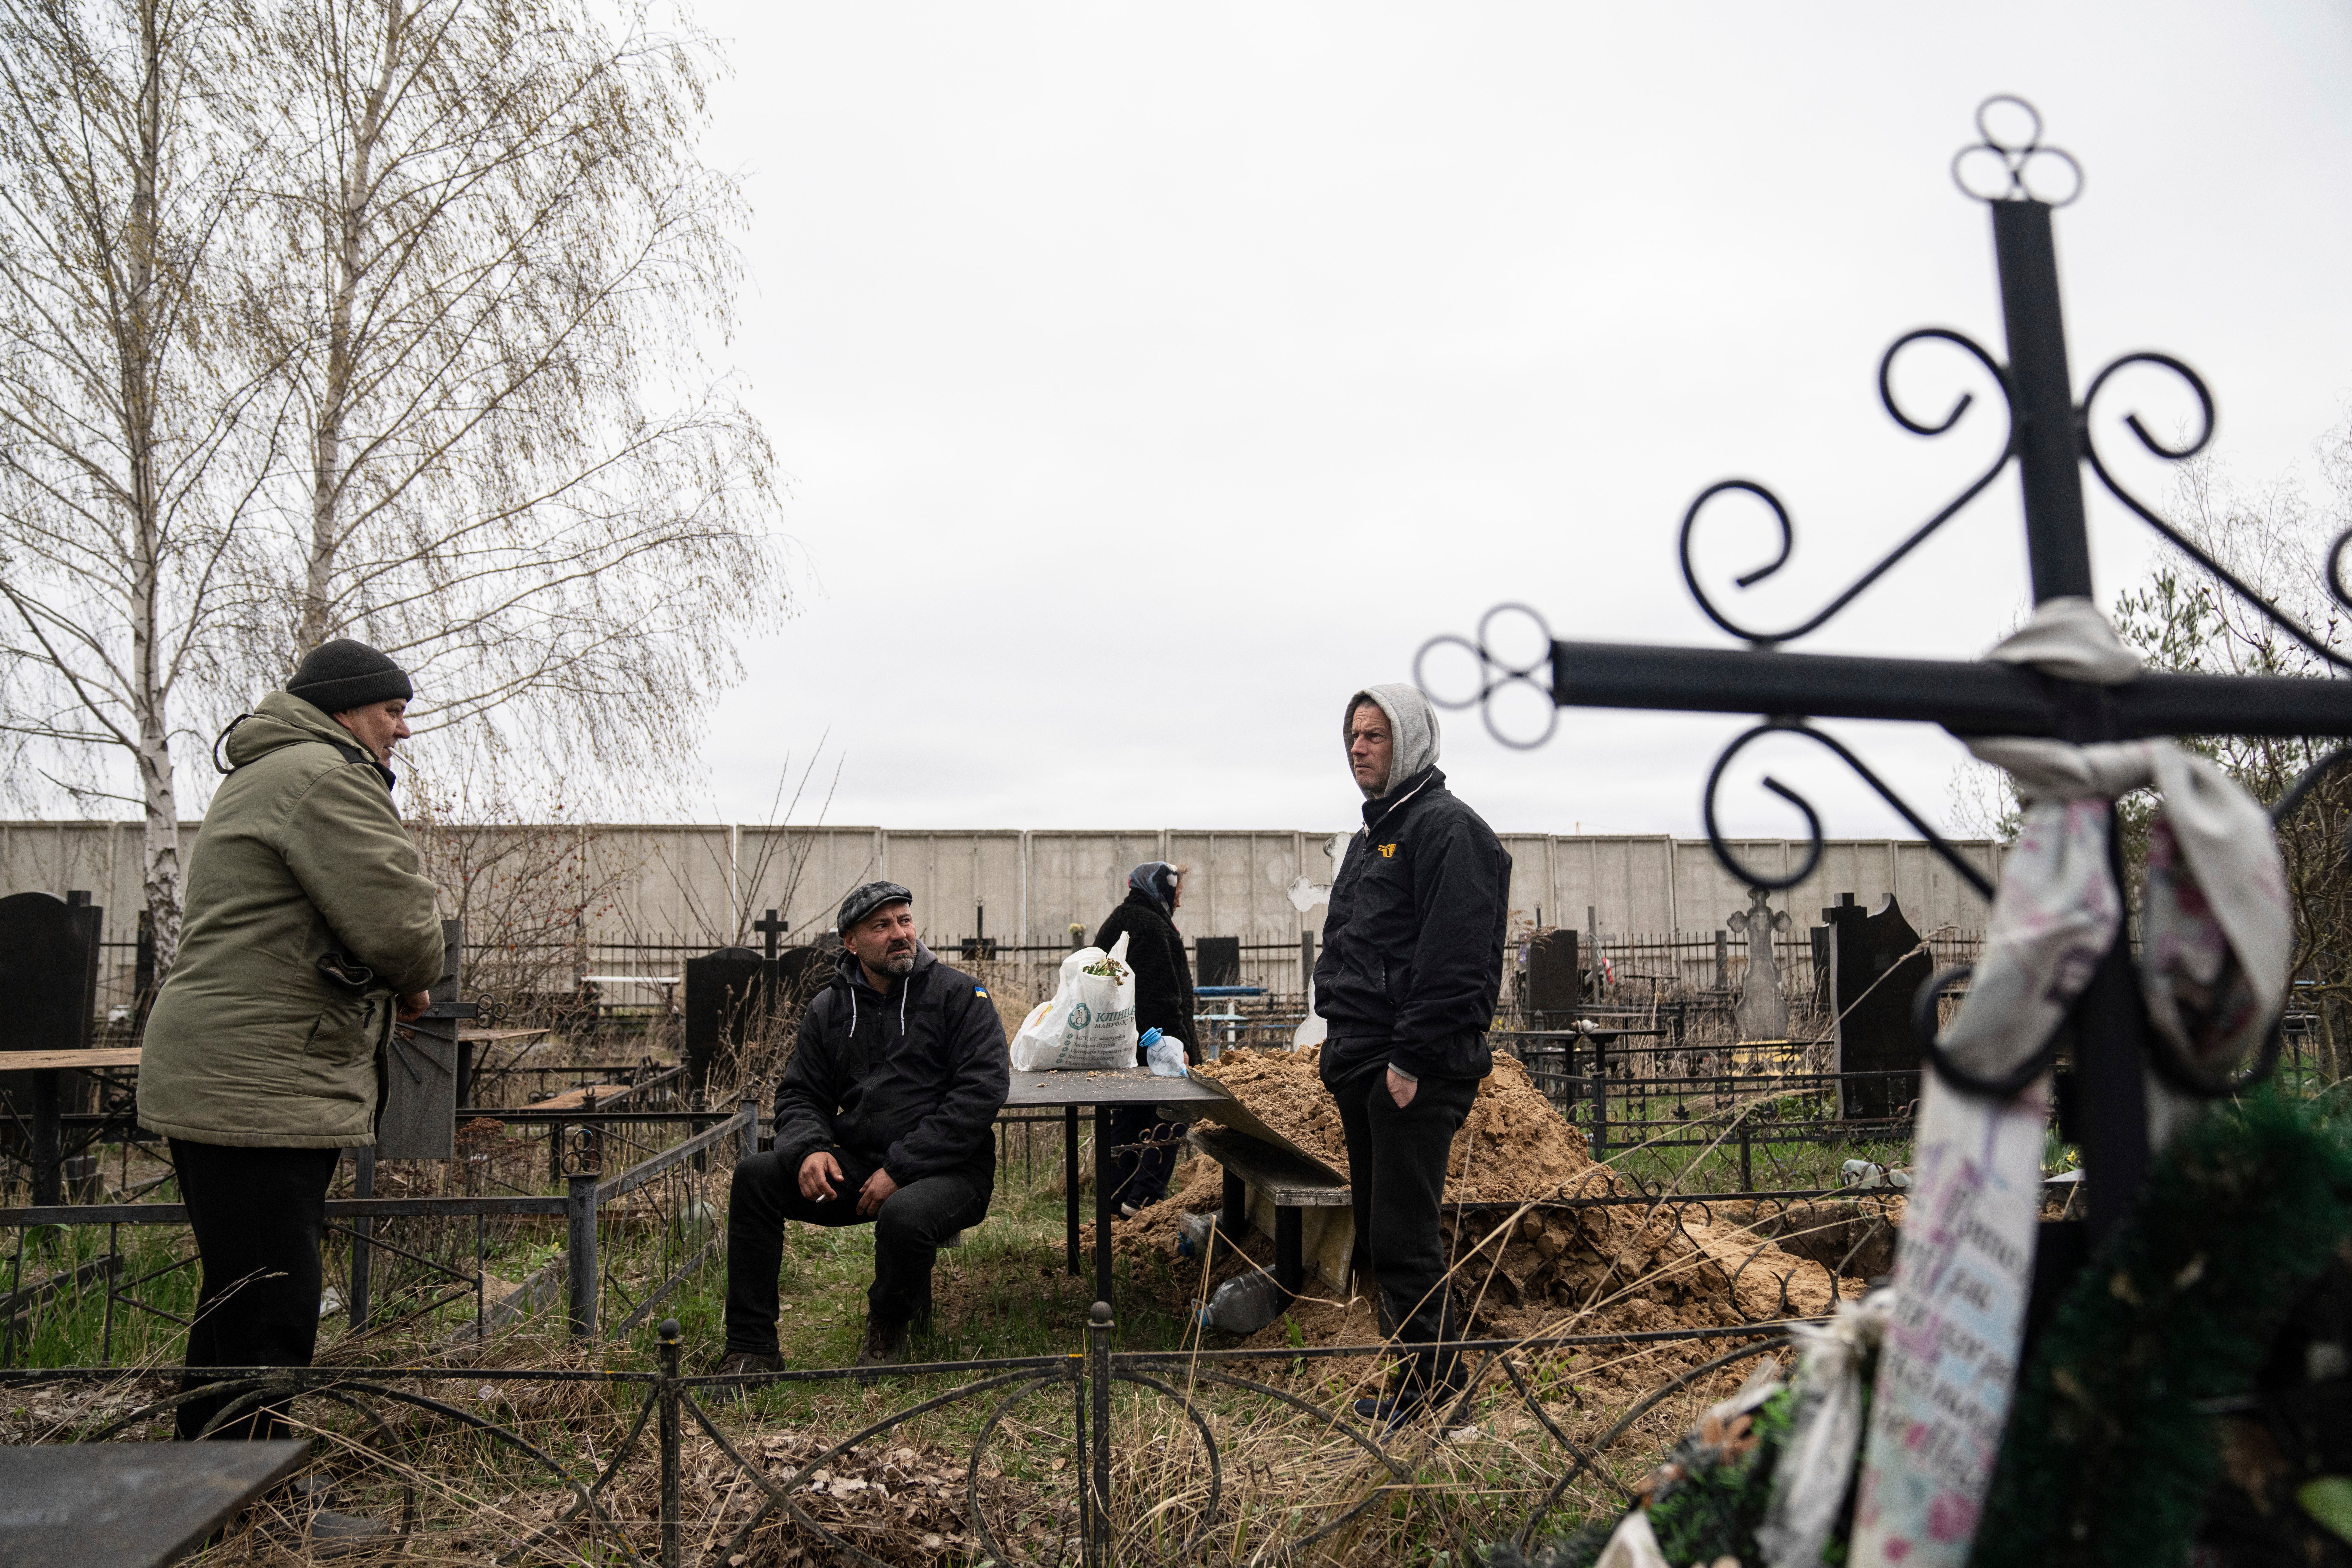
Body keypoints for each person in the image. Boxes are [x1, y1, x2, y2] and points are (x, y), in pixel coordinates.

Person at [138, 638, 445, 1544]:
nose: (403, 728)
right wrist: (409, 969)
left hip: (233, 1069)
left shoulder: (274, 771)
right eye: (394, 710)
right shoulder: (325, 775)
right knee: (273, 1301)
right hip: (260, 1079)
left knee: (237, 1293)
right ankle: (261, 1515)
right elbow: (406, 934)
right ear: (352, 706)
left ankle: (206, 1496)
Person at [1313, 684, 1511, 1429]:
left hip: (1412, 1072)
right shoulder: (1375, 836)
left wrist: (1410, 1062)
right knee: (1382, 1234)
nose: (1359, 748)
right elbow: (1348, 945)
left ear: (1414, 742)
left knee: (1403, 1236)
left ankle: (1442, 1401)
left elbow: (1457, 964)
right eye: (1353, 737)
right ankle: (1420, 1383)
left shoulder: (1450, 830)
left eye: (1376, 736)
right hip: (1365, 1063)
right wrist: (1340, 1043)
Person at [719, 882, 1009, 1372]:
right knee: (756, 1180)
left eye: (905, 921)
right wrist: (810, 1149)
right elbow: (800, 1093)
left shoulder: (959, 996)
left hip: (951, 1169)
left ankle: (888, 1328)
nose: (901, 935)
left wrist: (901, 1168)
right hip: (859, 1166)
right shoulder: (829, 1009)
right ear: (851, 942)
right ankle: (752, 1349)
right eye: (882, 926)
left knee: (904, 1213)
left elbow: (980, 1093)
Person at [1093, 861, 1196, 1217]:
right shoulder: (1152, 927)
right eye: (1177, 894)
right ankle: (1144, 1199)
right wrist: (1176, 1047)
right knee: (1174, 1113)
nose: (1179, 902)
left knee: (1130, 1121)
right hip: (1157, 1047)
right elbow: (1160, 997)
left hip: (1121, 1045)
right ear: (1161, 890)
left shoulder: (1118, 920)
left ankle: (1113, 1204)